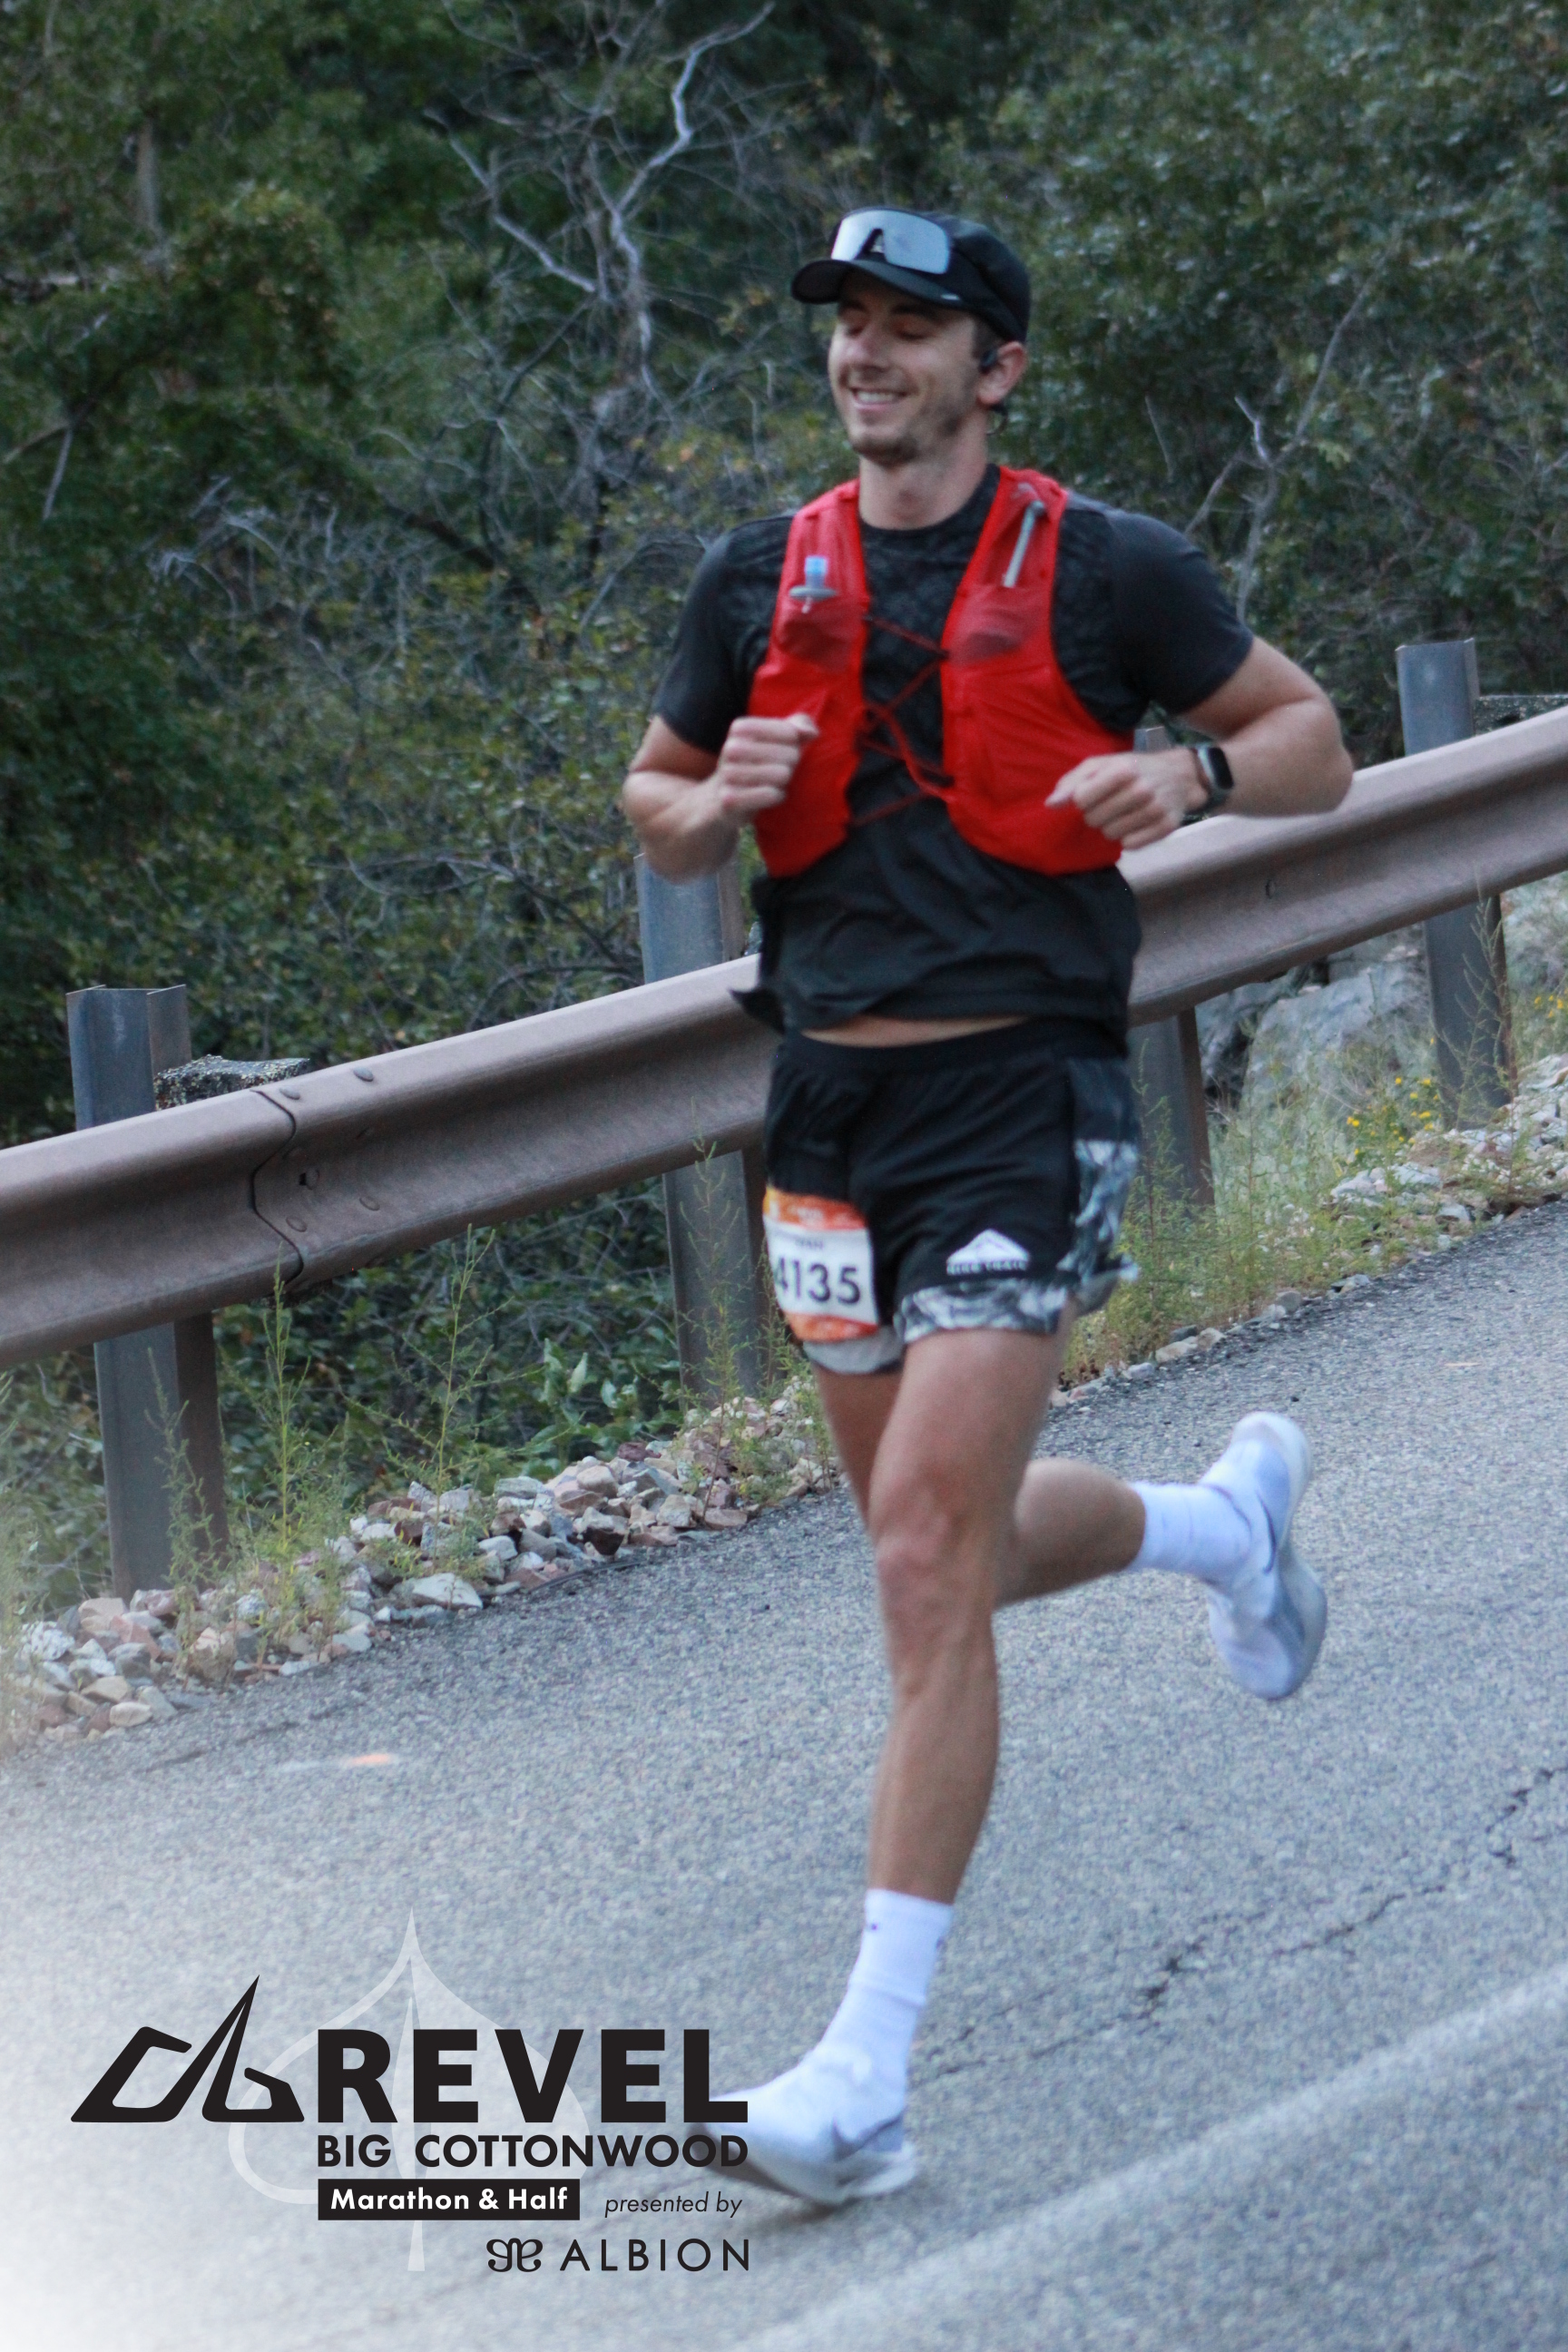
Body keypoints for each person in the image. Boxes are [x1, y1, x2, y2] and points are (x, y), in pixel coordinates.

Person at [622, 208, 1353, 2209]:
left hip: (1023, 1091)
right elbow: (657, 807)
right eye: (848, 324)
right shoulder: (756, 575)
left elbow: (1312, 744)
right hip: (824, 1109)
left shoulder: (1112, 566)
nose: (868, 353)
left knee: (925, 1550)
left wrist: (1191, 781)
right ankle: (1223, 1530)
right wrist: (713, 797)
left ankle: (862, 2080)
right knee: (942, 1548)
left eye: (912, 326)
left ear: (995, 365)